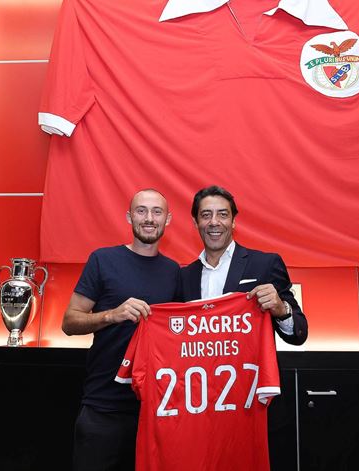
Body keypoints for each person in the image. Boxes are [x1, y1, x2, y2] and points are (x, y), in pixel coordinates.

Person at [62, 188, 180, 471]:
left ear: (168, 219)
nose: (149, 218)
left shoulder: (175, 271)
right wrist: (112, 315)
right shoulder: (103, 260)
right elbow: (69, 322)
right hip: (103, 406)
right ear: (129, 217)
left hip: (155, 410)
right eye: (141, 211)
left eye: (156, 212)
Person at [180, 185, 307, 345]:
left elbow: (299, 334)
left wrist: (281, 309)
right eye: (206, 215)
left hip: (251, 369)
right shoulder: (184, 276)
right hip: (199, 369)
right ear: (195, 222)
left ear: (233, 221)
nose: (214, 222)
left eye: (223, 215)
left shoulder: (265, 264)